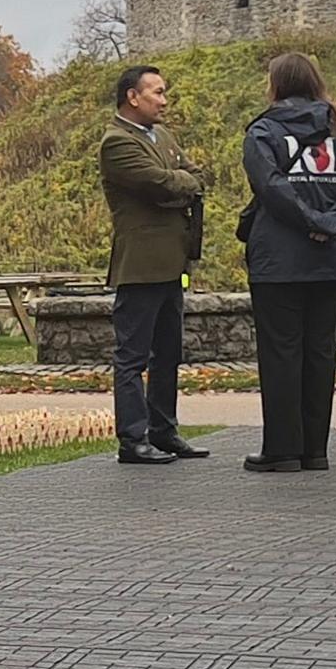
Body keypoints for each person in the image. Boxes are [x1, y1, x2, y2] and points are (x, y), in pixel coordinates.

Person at [237, 54, 336, 473]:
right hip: (328, 259)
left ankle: (282, 448)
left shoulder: (263, 132)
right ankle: (316, 449)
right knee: (320, 353)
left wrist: (309, 221)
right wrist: (329, 224)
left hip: (279, 258)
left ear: (275, 85)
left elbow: (271, 188)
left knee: (281, 354)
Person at [100, 64, 210, 464]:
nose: (164, 101)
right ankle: (133, 438)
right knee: (133, 356)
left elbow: (195, 177)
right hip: (141, 264)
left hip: (173, 260)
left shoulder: (162, 136)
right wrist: (179, 182)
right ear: (133, 96)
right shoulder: (117, 142)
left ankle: (164, 431)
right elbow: (159, 184)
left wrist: (180, 181)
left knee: (169, 352)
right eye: (157, 93)